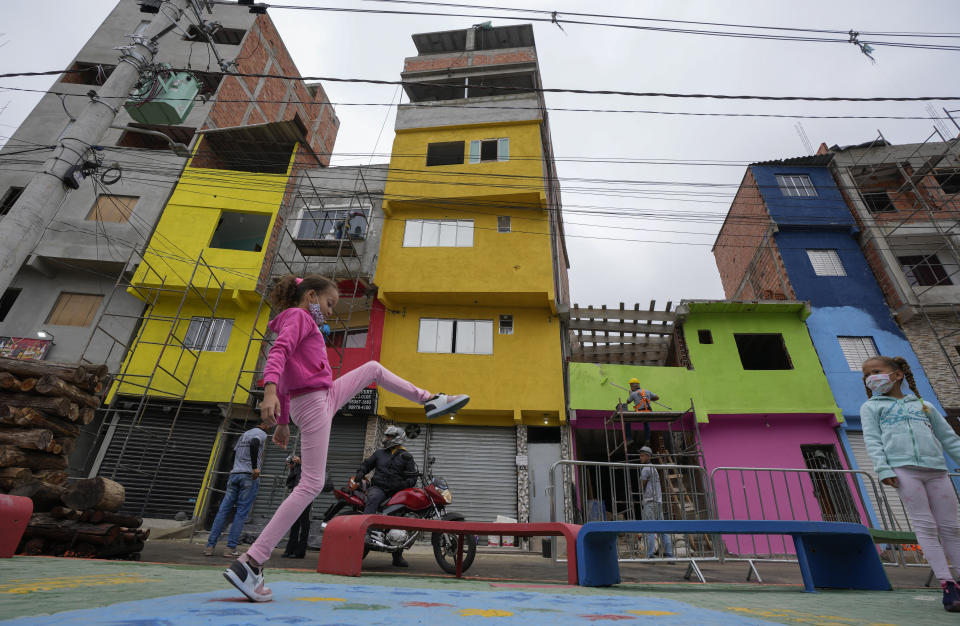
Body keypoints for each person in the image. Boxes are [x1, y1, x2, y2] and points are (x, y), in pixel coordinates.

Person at [223, 274, 470, 602]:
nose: (329, 311)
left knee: (373, 369)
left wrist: (283, 423)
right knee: (310, 484)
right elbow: (278, 357)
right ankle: (251, 562)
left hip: (321, 396)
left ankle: (430, 399)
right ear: (310, 295)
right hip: (313, 403)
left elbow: (288, 377)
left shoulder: (304, 322)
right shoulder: (299, 317)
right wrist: (268, 393)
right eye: (327, 303)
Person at [861, 356, 960, 613]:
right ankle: (947, 584)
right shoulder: (871, 408)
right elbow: (873, 441)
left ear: (897, 375)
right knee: (925, 526)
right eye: (866, 375)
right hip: (904, 471)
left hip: (937, 471)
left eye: (876, 371)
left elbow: (949, 439)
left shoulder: (924, 406)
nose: (871, 377)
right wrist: (883, 469)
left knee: (951, 527)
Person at [350, 425, 418, 567]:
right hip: (379, 488)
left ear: (397, 438)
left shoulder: (406, 456)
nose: (386, 438)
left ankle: (397, 556)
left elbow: (413, 478)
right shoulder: (379, 453)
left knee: (399, 519)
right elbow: (367, 465)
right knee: (373, 497)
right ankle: (366, 531)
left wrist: (402, 485)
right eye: (386, 436)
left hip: (396, 491)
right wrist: (360, 473)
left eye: (389, 436)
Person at [203, 420, 271, 558]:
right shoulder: (261, 434)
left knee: (223, 511)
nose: (271, 428)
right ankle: (230, 548)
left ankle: (210, 547)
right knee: (241, 513)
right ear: (264, 423)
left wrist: (236, 468)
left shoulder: (244, 434)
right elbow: (254, 444)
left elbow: (233, 456)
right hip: (248, 476)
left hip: (235, 475)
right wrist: (254, 467)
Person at [638, 445, 674, 561]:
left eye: (642, 455)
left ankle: (650, 555)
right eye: (640, 455)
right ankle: (669, 555)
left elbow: (641, 485)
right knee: (662, 529)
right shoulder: (654, 468)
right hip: (658, 502)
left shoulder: (646, 469)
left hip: (649, 502)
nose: (640, 458)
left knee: (649, 528)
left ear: (648, 456)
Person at [280, 455, 310, 559]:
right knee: (294, 521)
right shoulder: (300, 458)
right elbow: (293, 479)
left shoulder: (311, 455)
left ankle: (300, 551)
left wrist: (301, 463)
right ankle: (290, 549)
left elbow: (314, 469)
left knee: (304, 522)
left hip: (307, 493)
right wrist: (294, 466)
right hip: (296, 492)